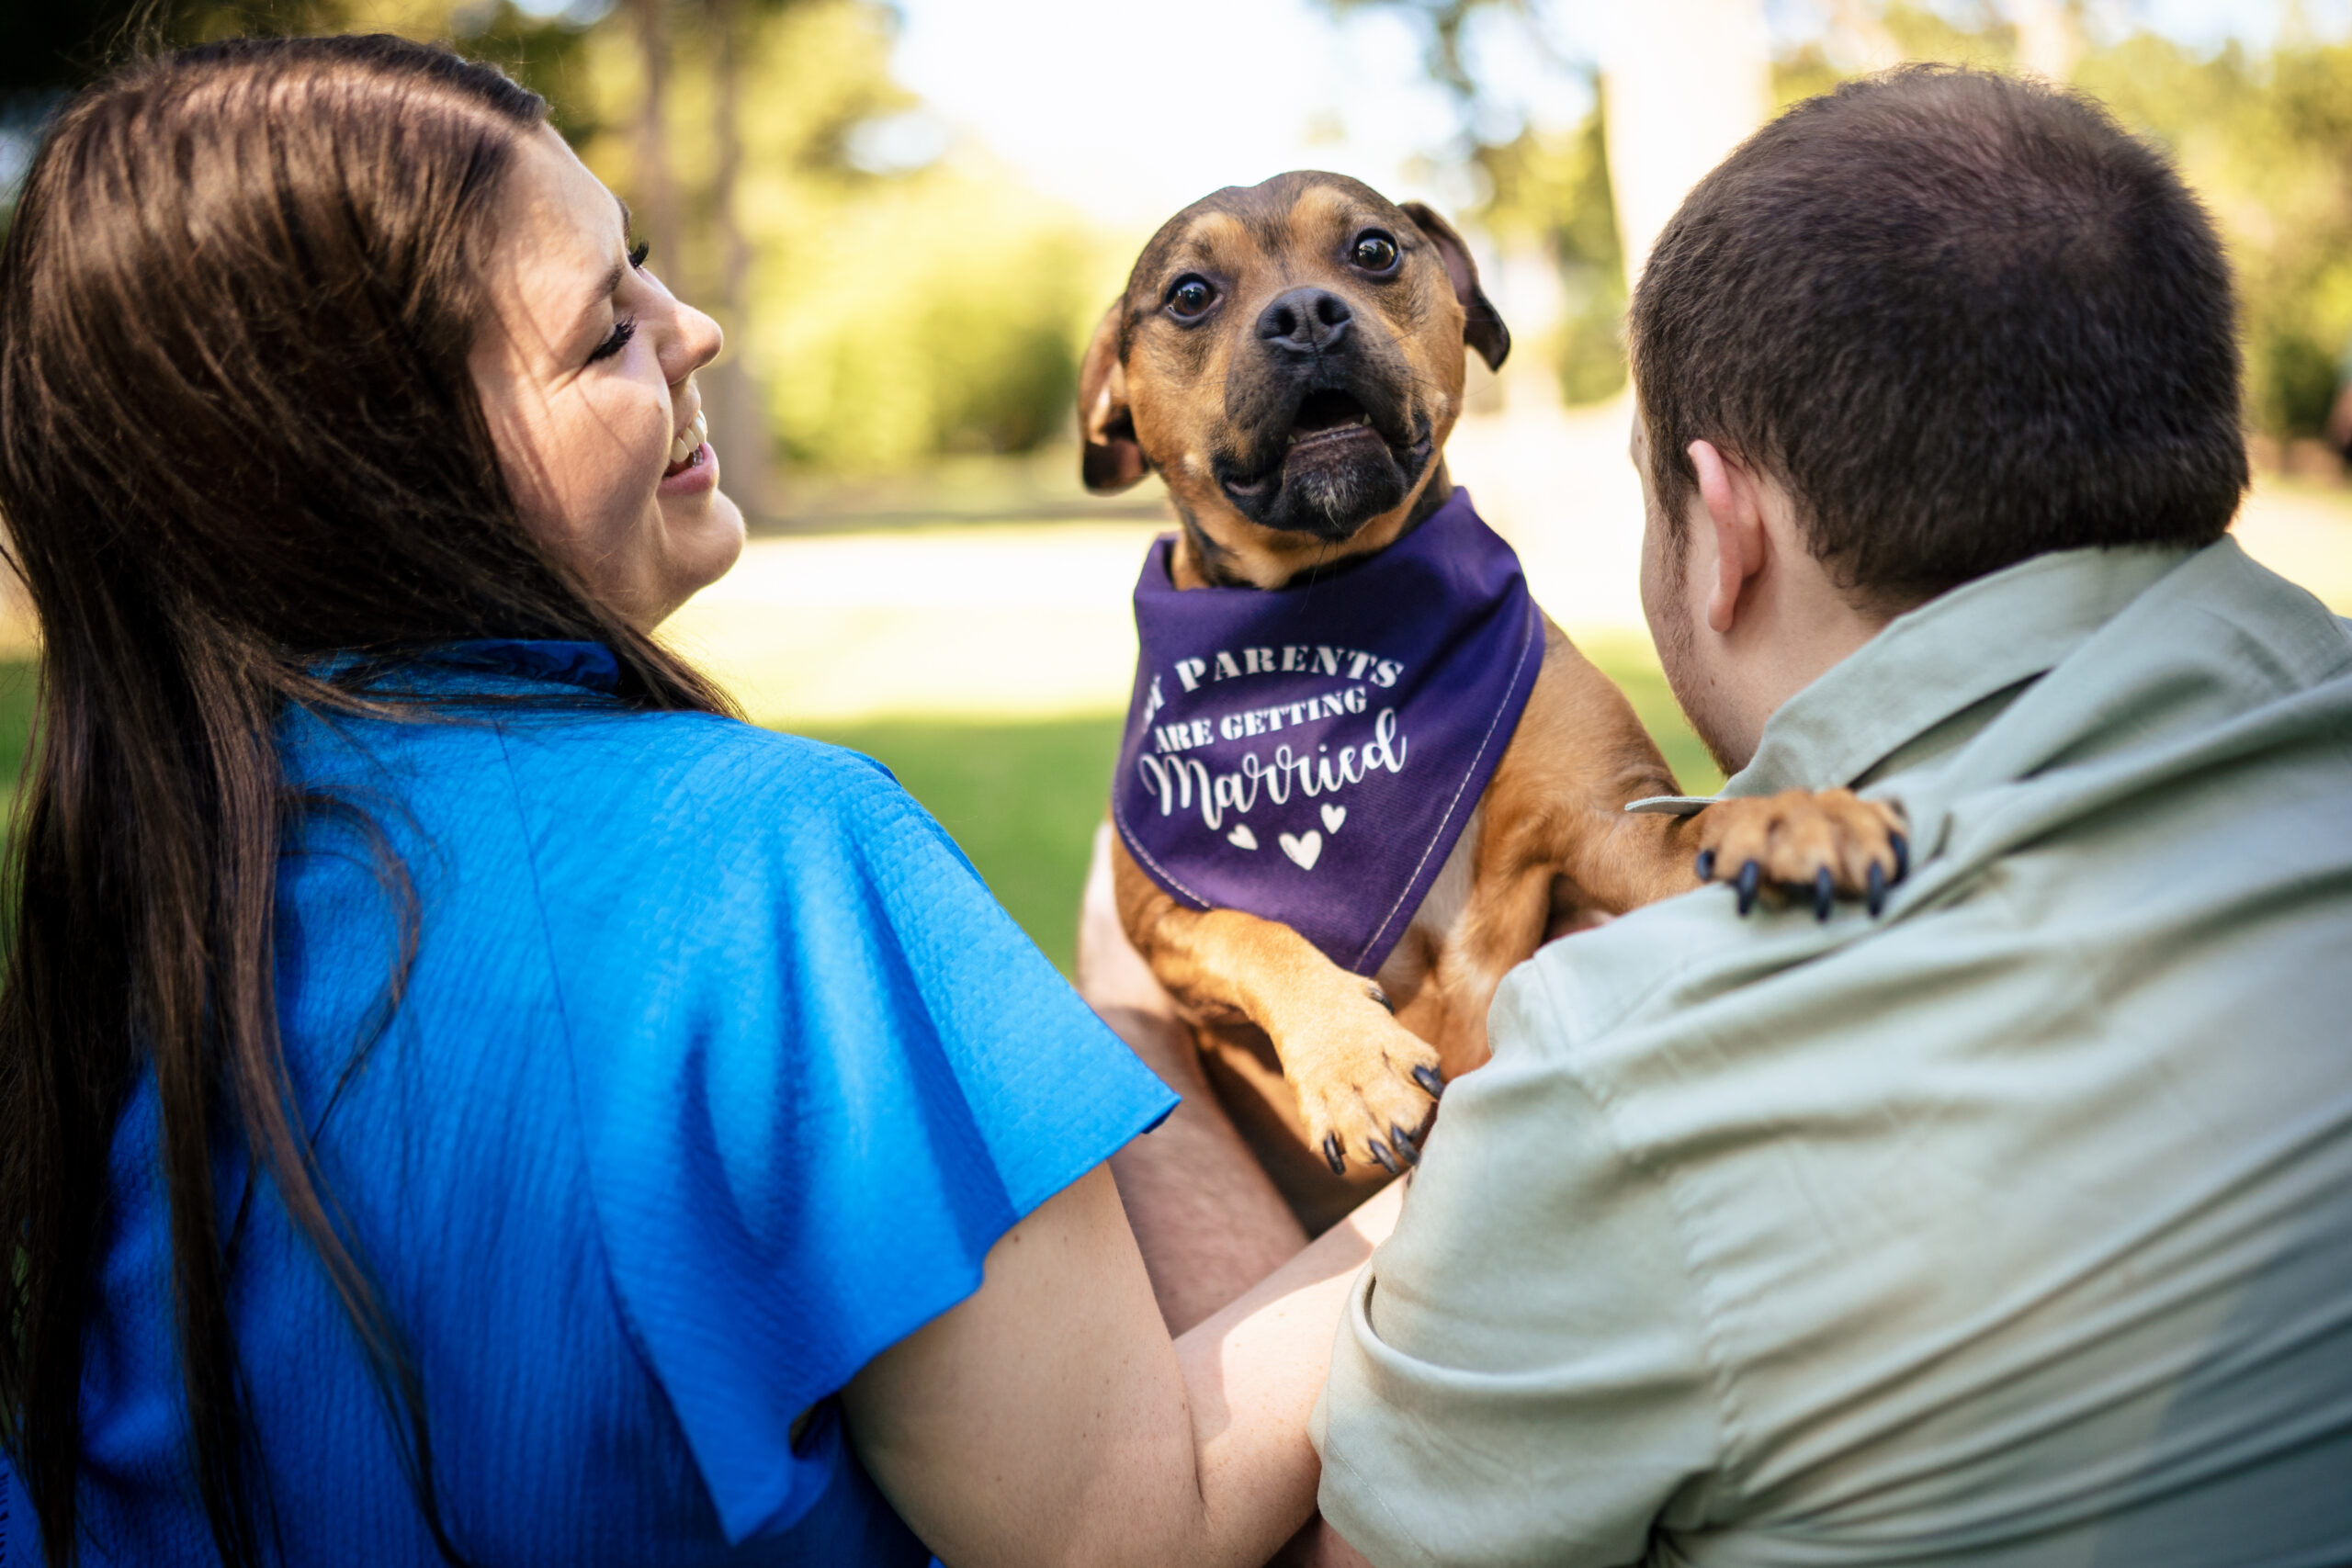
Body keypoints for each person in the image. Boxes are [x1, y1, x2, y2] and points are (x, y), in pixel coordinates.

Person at [0, 36, 1397, 1568]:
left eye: (647, 271)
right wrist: (1509, 1142)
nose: (698, 330)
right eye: (606, 334)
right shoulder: (765, 856)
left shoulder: (135, 914)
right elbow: (1129, 1528)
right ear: (380, 468)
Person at [1091, 66, 2352, 1566]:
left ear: (1721, 525)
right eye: (1200, 299)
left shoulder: (1634, 1085)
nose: (1301, 315)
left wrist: (1128, 1015)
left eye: (1367, 259)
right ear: (1119, 406)